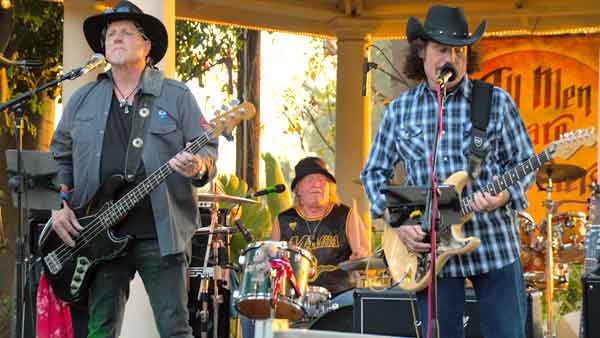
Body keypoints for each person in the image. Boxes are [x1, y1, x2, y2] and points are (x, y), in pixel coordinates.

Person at [360, 5, 534, 338]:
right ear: (422, 51)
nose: (451, 58)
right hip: (429, 254)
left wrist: (505, 194)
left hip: (494, 245)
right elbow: (373, 175)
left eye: (459, 51)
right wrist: (399, 221)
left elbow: (524, 162)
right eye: (442, 49)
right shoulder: (400, 111)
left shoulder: (495, 102)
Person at [49, 1, 217, 337]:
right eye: (111, 34)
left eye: (127, 32)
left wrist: (197, 164)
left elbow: (209, 149)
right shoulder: (83, 98)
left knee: (174, 328)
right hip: (98, 232)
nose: (117, 38)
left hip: (160, 232)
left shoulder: (176, 95)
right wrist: (59, 202)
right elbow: (59, 155)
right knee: (101, 328)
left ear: (147, 46)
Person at [241, 156, 371, 337]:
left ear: (330, 188)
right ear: (297, 189)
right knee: (253, 309)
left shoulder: (346, 215)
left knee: (361, 303)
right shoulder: (283, 220)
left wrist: (361, 256)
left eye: (322, 181)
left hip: (339, 297)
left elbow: (365, 257)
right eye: (310, 180)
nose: (317, 184)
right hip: (294, 300)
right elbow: (272, 266)